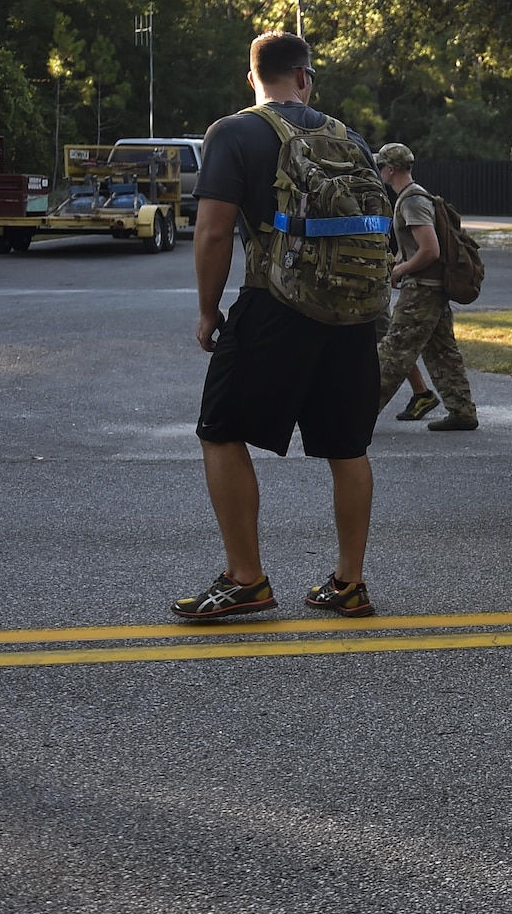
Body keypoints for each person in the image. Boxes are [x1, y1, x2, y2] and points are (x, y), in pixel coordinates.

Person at [177, 31, 383, 619]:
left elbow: (214, 230)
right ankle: (349, 582)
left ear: (252, 79)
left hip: (276, 305)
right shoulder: (351, 139)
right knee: (347, 446)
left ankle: (246, 578)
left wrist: (209, 309)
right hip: (351, 312)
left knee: (220, 428)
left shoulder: (234, 132)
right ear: (305, 77)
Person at [373, 143, 478, 431]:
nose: (380, 170)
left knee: (394, 352)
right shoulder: (412, 197)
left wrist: (401, 271)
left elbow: (429, 250)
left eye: (381, 166)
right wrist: (399, 262)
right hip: (430, 289)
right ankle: (462, 411)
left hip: (422, 291)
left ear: (390, 169)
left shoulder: (412, 201)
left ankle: (358, 415)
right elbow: (412, 246)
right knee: (442, 351)